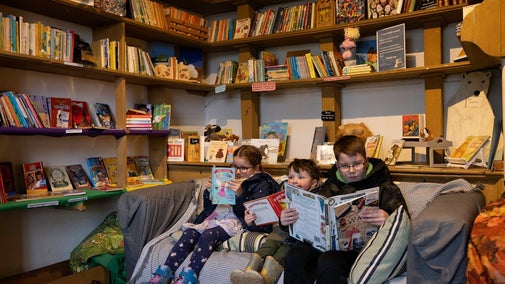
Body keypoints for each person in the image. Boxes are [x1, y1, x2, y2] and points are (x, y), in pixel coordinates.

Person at [283, 135, 407, 284]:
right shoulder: (330, 185)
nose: (352, 170)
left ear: (366, 160)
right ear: (337, 164)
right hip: (326, 244)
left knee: (329, 261)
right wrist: (285, 220)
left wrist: (388, 219)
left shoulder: (384, 186)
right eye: (344, 166)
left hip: (361, 249)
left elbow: (404, 223)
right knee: (296, 254)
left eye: (357, 164)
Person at [148, 145, 280, 284]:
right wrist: (209, 191)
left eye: (243, 168)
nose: (238, 171)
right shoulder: (229, 175)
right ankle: (165, 271)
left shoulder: (261, 183)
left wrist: (240, 194)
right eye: (234, 166)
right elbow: (208, 207)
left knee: (208, 235)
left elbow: (253, 215)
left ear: (256, 168)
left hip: (235, 222)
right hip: (214, 218)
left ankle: (190, 274)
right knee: (189, 233)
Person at [230, 158, 322, 284]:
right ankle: (247, 272)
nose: (294, 181)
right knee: (265, 249)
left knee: (280, 255)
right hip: (277, 234)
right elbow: (268, 221)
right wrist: (251, 220)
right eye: (291, 176)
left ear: (314, 183)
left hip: (294, 241)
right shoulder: (282, 194)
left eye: (301, 177)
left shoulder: (317, 200)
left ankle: (266, 279)